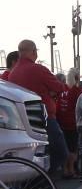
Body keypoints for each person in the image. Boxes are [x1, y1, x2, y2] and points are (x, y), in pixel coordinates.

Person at [8, 40, 69, 175]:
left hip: (22, 121)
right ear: (34, 52)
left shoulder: (13, 73)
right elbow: (59, 87)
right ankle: (45, 184)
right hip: (44, 118)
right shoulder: (38, 69)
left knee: (34, 157)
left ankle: (38, 187)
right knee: (61, 152)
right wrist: (51, 92)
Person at [57, 68, 82, 179]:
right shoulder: (77, 91)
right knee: (73, 148)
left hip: (60, 121)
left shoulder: (62, 90)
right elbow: (81, 108)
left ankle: (65, 169)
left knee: (65, 146)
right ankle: (71, 170)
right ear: (77, 78)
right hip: (73, 122)